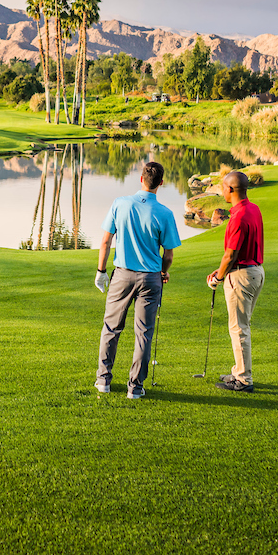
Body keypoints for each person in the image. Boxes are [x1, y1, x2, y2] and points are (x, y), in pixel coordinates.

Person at [94, 161, 181, 399]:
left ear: (141, 179)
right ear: (161, 183)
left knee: (111, 328)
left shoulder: (120, 203)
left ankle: (103, 380)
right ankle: (135, 387)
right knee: (143, 333)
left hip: (121, 275)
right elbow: (169, 255)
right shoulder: (165, 213)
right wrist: (163, 272)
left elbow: (105, 242)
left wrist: (101, 271)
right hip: (151, 279)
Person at [206, 170, 265, 393]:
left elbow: (230, 255)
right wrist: (222, 271)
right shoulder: (253, 209)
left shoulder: (238, 217)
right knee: (241, 326)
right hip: (255, 271)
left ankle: (243, 380)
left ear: (230, 189)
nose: (222, 190)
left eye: (223, 187)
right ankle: (239, 369)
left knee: (239, 329)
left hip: (242, 276)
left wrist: (219, 277)